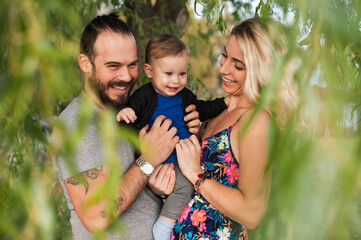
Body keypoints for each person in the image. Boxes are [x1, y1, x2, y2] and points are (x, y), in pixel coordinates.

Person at [51, 13, 200, 240]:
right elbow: (98, 215)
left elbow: (134, 183)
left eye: (132, 65)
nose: (126, 76)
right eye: (113, 66)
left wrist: (192, 122)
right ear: (85, 64)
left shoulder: (129, 109)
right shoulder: (78, 124)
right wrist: (148, 160)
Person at [172, 17, 301, 239]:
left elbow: (252, 213)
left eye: (237, 65)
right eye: (225, 55)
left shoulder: (257, 121)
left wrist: (196, 175)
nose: (222, 68)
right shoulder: (222, 108)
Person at [116, 34, 229, 240]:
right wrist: (124, 112)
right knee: (186, 188)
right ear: (150, 71)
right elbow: (128, 119)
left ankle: (179, 224)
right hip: (161, 163)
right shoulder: (144, 96)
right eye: (168, 73)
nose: (176, 80)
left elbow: (203, 108)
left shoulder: (184, 95)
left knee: (202, 186)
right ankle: (164, 228)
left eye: (182, 73)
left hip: (182, 159)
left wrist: (224, 103)